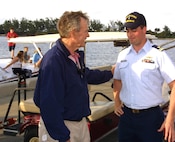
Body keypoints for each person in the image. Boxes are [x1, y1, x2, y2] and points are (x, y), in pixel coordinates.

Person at [33, 11, 114, 142]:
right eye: (85, 31)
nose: (88, 35)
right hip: (62, 128)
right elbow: (49, 105)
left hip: (79, 123)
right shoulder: (54, 61)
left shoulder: (74, 57)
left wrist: (110, 73)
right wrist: (63, 136)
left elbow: (87, 75)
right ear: (73, 33)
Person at [113, 11, 175, 142]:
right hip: (126, 117)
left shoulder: (158, 55)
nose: (130, 34)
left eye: (133, 30)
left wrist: (170, 119)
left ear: (144, 29)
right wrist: (116, 103)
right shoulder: (123, 55)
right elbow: (117, 80)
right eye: (127, 31)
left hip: (150, 118)